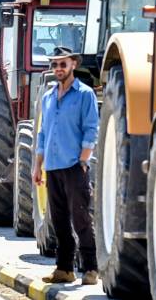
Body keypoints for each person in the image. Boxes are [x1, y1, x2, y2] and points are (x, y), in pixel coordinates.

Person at [33, 46, 99, 285]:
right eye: (55, 64)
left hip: (74, 166)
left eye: (63, 64)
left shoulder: (85, 94)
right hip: (52, 167)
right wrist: (38, 166)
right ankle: (64, 269)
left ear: (74, 64)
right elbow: (43, 133)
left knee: (81, 218)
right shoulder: (48, 97)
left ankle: (90, 269)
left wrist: (83, 160)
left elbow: (91, 129)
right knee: (59, 220)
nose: (58, 68)